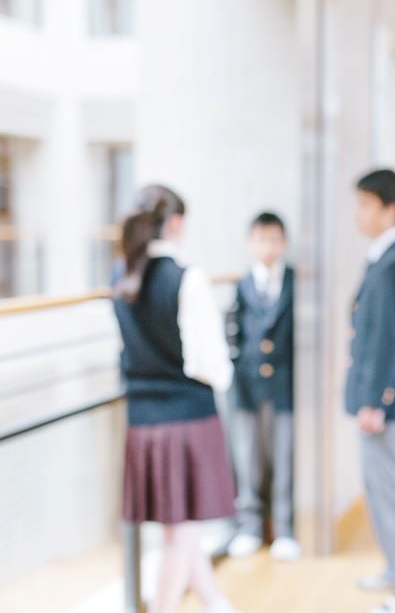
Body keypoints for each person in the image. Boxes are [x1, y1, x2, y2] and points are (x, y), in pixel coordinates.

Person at [113, 184, 238, 613]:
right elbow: (212, 366)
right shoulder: (188, 279)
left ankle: (214, 602)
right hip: (188, 418)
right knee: (181, 534)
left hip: (143, 422)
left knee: (179, 527)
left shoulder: (121, 277)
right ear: (176, 223)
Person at [346, 169, 395, 613]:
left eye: (365, 204)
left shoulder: (394, 260)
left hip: (388, 405)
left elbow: (391, 339)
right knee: (380, 490)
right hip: (377, 401)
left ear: (390, 209)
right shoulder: (382, 256)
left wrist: (377, 399)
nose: (358, 213)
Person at [226, 211, 300, 562]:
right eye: (261, 239)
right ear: (250, 243)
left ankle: (284, 529)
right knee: (248, 458)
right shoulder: (241, 285)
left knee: (285, 458)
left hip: (286, 386)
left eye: (274, 239)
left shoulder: (295, 282)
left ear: (283, 242)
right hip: (247, 386)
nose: (268, 246)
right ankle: (249, 527)